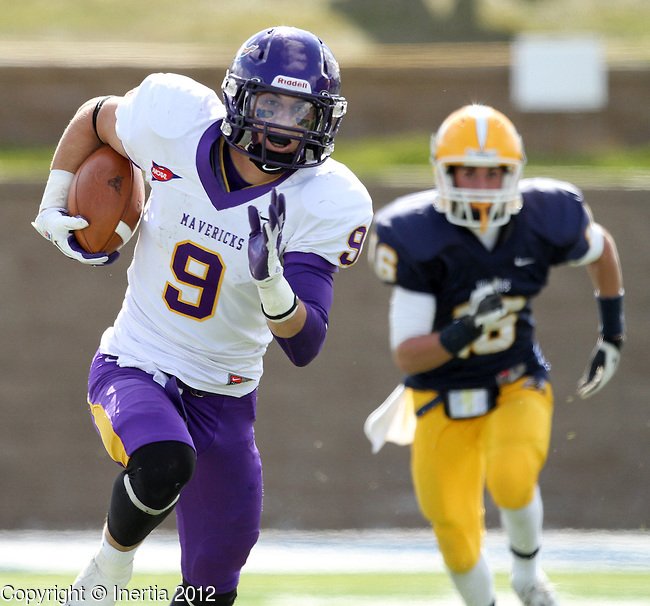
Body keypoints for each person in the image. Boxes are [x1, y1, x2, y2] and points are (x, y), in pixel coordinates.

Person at [32, 26, 372, 606]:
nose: (285, 125)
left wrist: (273, 287)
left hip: (226, 398)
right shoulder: (175, 120)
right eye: (272, 104)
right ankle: (103, 578)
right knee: (165, 461)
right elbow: (95, 116)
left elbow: (306, 341)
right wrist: (55, 195)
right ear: (242, 98)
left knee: (212, 592)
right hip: (135, 364)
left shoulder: (324, 199)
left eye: (301, 111)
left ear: (323, 120)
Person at [365, 104, 624, 606]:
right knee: (455, 534)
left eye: (493, 172)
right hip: (438, 396)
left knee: (512, 476)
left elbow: (602, 249)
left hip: (514, 378)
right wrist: (466, 329)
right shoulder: (416, 236)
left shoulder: (544, 217)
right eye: (468, 171)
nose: (481, 185)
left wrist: (611, 335)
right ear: (444, 171)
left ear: (514, 173)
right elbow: (409, 356)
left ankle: (529, 578)